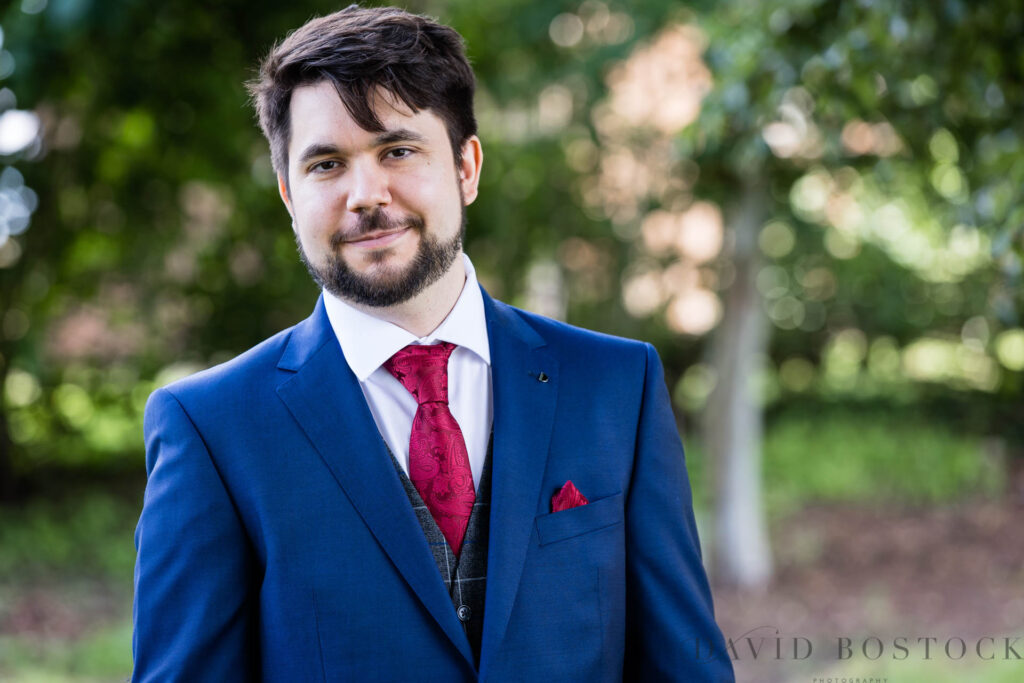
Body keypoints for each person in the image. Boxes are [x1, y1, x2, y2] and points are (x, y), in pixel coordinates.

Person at [131, 5, 734, 681]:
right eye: (327, 164)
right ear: (289, 197)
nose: (365, 194)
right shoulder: (211, 428)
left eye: (397, 150)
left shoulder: (618, 385)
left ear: (467, 167)